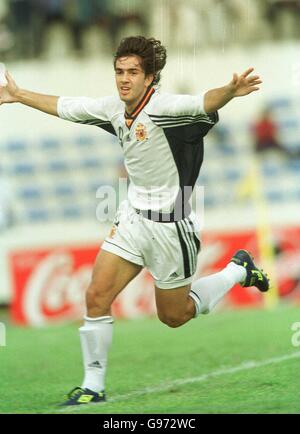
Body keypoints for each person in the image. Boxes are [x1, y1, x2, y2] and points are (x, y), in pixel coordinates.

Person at [0, 36, 269, 406]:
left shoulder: (166, 108)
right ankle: (93, 387)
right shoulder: (114, 109)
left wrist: (230, 90)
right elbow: (68, 105)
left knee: (174, 316)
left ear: (149, 78)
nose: (124, 79)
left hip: (171, 228)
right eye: (119, 71)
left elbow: (202, 101)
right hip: (131, 219)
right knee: (96, 295)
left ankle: (237, 270)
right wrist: (18, 95)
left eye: (132, 72)